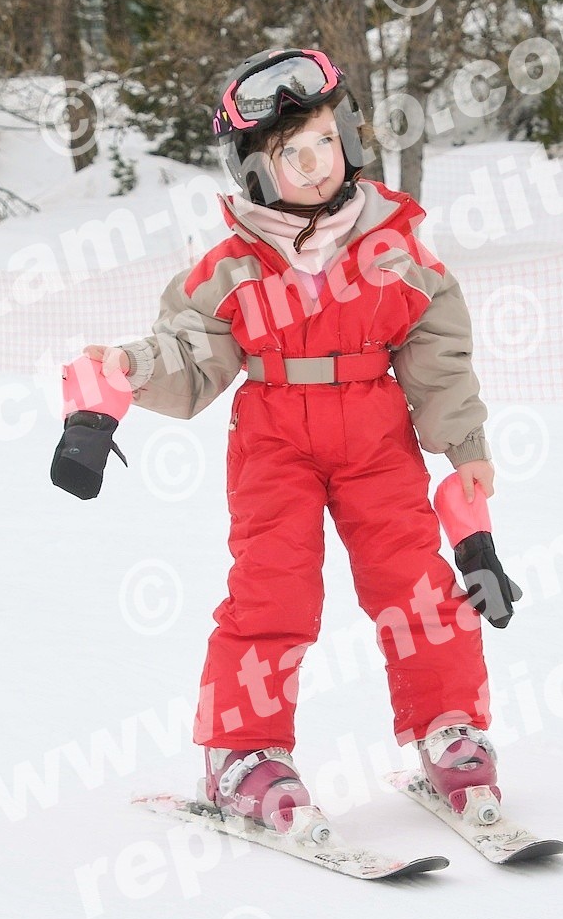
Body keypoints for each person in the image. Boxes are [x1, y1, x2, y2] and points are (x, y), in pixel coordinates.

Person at [82, 48, 506, 839]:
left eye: (324, 143)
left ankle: (450, 725)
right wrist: (132, 368)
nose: (316, 167)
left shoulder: (391, 241)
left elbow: (437, 352)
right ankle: (242, 751)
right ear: (254, 173)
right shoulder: (235, 264)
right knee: (272, 590)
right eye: (291, 155)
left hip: (377, 431)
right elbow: (193, 353)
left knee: (415, 580)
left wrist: (465, 444)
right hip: (275, 436)